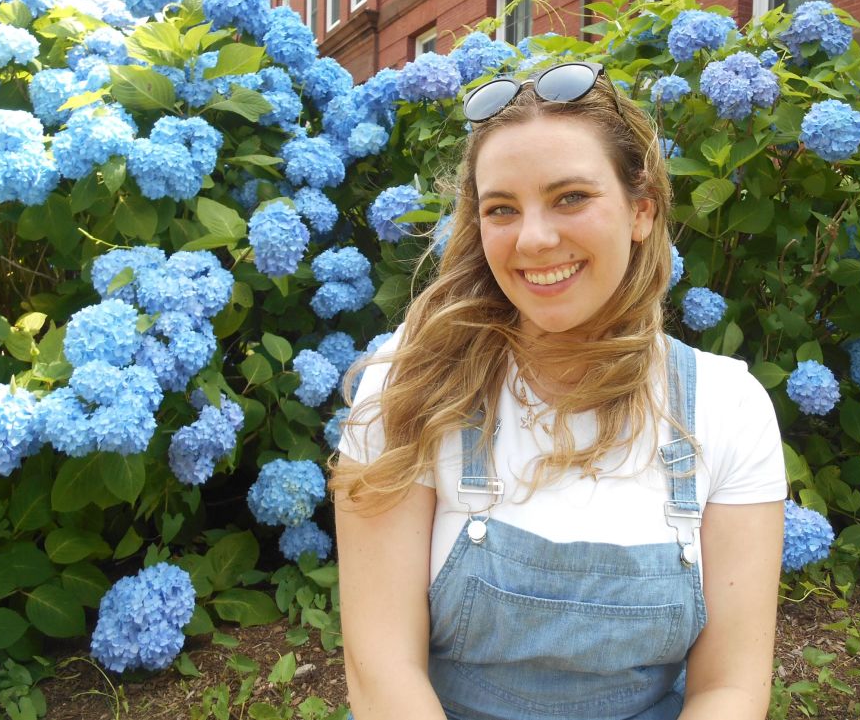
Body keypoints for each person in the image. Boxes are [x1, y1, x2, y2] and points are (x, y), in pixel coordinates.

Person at [330, 60, 786, 720]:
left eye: (570, 197)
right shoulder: (412, 382)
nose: (535, 239)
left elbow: (730, 688)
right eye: (501, 209)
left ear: (641, 211)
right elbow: (380, 669)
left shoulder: (725, 406)